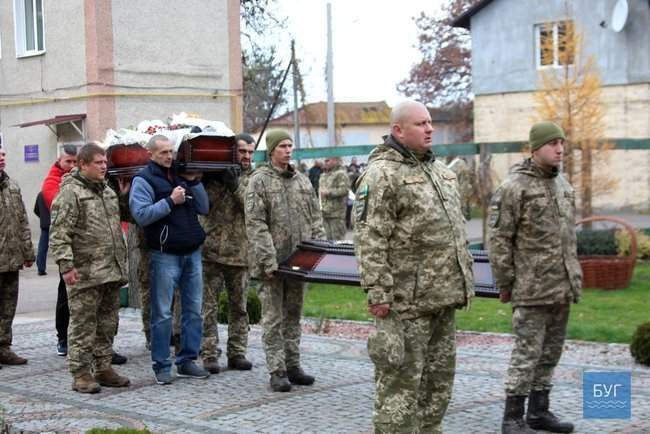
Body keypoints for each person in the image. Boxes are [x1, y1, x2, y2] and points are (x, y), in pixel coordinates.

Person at [353, 100, 474, 434]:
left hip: (443, 298)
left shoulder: (440, 172)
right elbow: (370, 237)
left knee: (437, 388)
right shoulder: (381, 175)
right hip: (406, 304)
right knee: (400, 391)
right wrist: (378, 292)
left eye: (430, 122)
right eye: (421, 123)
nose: (429, 128)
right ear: (398, 130)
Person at [487, 122, 581, 434]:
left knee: (550, 354)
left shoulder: (563, 185)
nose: (559, 149)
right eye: (552, 144)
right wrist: (505, 282)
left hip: (561, 286)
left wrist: (573, 278)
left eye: (562, 143)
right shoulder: (515, 187)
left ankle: (539, 412)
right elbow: (499, 239)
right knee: (526, 354)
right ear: (535, 148)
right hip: (531, 288)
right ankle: (512, 418)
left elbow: (567, 237)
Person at [246, 129, 326, 392]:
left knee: (293, 315)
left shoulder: (302, 180)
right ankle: (276, 369)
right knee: (273, 317)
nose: (288, 150)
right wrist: (268, 260)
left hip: (299, 262)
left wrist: (319, 251)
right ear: (271, 151)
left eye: (290, 145)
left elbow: (316, 217)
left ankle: (293, 364)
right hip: (273, 264)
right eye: (282, 146)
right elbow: (256, 223)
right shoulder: (259, 181)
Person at [49, 143, 131, 393]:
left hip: (110, 270)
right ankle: (81, 373)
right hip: (85, 273)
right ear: (83, 165)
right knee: (83, 325)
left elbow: (123, 218)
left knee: (107, 324)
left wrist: (124, 194)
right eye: (98, 162)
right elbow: (60, 233)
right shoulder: (71, 193)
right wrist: (66, 266)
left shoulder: (107, 191)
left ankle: (103, 367)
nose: (104, 166)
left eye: (105, 162)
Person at [129, 135, 210, 385]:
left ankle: (187, 361)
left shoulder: (180, 174)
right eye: (163, 152)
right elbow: (141, 215)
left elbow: (204, 208)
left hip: (192, 252)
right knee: (163, 313)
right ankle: (161, 364)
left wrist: (194, 182)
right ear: (151, 154)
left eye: (171, 151)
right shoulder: (143, 180)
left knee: (193, 311)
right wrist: (169, 201)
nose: (169, 156)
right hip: (164, 255)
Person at [200, 133, 256, 373]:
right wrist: (217, 181)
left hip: (241, 252)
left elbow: (253, 208)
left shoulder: (255, 178)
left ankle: (237, 352)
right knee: (208, 308)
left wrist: (235, 186)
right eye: (242, 151)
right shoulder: (212, 176)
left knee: (239, 308)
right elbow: (202, 205)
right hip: (210, 251)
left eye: (250, 153)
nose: (246, 157)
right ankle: (209, 353)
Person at [0, 144, 35, 367]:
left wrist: (28, 251)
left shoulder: (11, 185)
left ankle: (3, 347)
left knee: (8, 305)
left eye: (3, 153)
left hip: (11, 258)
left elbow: (22, 220)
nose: (2, 157)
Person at [41, 144, 77, 356]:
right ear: (59, 161)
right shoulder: (52, 181)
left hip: (88, 249)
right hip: (67, 248)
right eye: (68, 162)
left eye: (75, 162)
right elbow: (60, 205)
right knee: (65, 296)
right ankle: (63, 338)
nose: (71, 166)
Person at [319, 157, 349, 240]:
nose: (325, 163)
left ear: (335, 161)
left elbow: (344, 190)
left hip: (336, 214)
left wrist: (329, 192)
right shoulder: (323, 175)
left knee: (338, 241)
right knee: (327, 240)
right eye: (324, 161)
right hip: (325, 212)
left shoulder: (341, 174)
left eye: (327, 160)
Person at [447, 155, 473, 220]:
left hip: (455, 205)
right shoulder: (439, 162)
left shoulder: (460, 165)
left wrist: (463, 207)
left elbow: (464, 189)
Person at [33, 191, 50, 275]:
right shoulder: (57, 192)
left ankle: (41, 269)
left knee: (42, 248)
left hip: (45, 225)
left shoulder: (40, 194)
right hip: (56, 224)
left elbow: (36, 210)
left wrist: (42, 217)